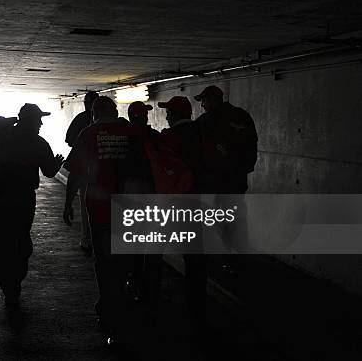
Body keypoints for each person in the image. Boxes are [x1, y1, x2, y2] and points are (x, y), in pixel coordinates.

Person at [64, 96, 151, 347]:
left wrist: (68, 202)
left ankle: (109, 311)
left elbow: (77, 173)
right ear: (115, 111)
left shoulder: (88, 134)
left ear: (93, 113)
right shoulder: (131, 132)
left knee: (104, 263)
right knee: (126, 259)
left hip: (100, 208)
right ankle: (127, 298)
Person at [0, 103, 64, 308]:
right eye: (38, 119)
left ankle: (8, 287)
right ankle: (16, 280)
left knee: (1, 242)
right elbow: (48, 172)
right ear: (30, 120)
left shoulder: (2, 137)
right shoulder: (37, 142)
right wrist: (57, 163)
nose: (40, 123)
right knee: (21, 239)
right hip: (23, 200)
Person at [194, 85, 258, 272]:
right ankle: (236, 258)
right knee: (236, 219)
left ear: (212, 100)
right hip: (236, 181)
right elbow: (251, 145)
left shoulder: (206, 122)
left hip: (215, 182)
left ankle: (224, 259)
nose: (202, 106)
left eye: (204, 101)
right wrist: (243, 169)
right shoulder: (242, 116)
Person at [157, 96, 207, 325]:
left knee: (154, 249)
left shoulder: (168, 137)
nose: (166, 116)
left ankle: (152, 295)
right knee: (195, 256)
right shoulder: (203, 133)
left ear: (175, 115)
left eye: (168, 113)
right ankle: (196, 303)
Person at [64, 91, 99, 252]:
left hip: (86, 171)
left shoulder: (81, 119)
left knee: (87, 209)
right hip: (105, 176)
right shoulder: (112, 125)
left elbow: (69, 139)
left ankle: (87, 241)